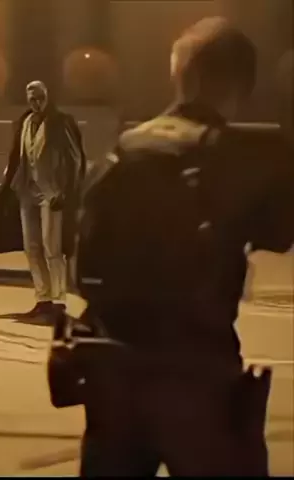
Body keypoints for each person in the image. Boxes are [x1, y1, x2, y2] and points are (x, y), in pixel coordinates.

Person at [75, 17, 294, 476]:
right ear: (242, 85)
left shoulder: (124, 148)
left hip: (113, 368)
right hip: (197, 372)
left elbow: (83, 253)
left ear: (177, 72)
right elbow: (279, 233)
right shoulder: (240, 155)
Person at [0, 80, 86, 320]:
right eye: (32, 99)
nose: (36, 103)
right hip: (26, 191)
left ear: (47, 97)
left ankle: (59, 300)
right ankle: (43, 298)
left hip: (51, 193)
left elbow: (75, 159)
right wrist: (11, 182)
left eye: (40, 98)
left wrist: (66, 191)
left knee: (53, 248)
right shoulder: (25, 122)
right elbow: (18, 155)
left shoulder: (61, 122)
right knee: (32, 247)